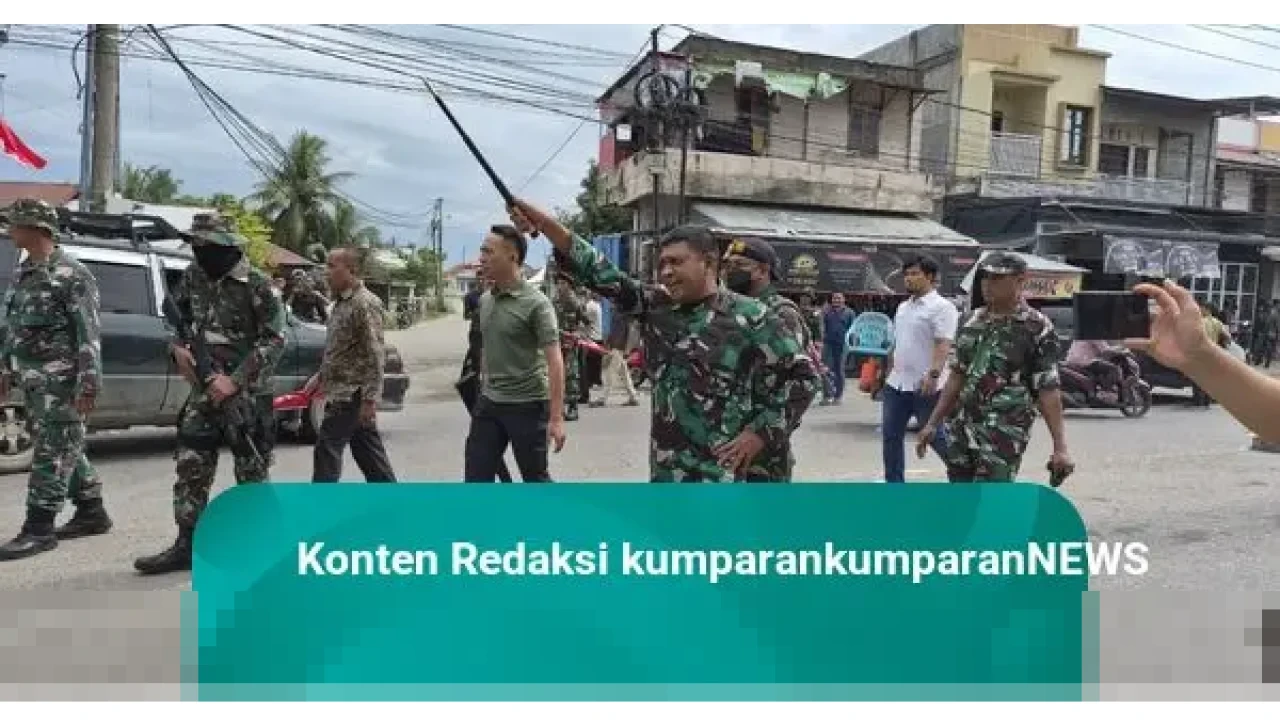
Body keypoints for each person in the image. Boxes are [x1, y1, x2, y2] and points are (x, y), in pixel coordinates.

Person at [509, 199, 819, 483]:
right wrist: (545, 224)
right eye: (663, 264)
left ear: (709, 264)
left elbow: (804, 380)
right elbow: (598, 269)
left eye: (677, 262)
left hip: (722, 480)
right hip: (667, 475)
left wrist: (760, 434)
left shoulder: (753, 317)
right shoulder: (657, 307)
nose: (666, 272)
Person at [134, 213, 286, 575]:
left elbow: (274, 340)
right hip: (203, 390)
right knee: (191, 466)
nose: (199, 252)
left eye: (206, 246)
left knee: (251, 474)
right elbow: (177, 317)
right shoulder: (194, 276)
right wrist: (177, 349)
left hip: (246, 395)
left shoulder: (260, 286)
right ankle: (188, 544)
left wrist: (233, 381)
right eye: (196, 245)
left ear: (228, 245)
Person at [0, 199, 110, 562]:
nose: (9, 229)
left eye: (15, 224)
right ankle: (92, 510)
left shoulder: (72, 274)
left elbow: (88, 334)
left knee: (51, 452)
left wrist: (88, 384)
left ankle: (39, 528)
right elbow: (11, 327)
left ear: (36, 228)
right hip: (31, 382)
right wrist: (4, 369)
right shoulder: (23, 272)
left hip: (62, 382)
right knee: (64, 446)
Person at [916, 253, 1072, 483]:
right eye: (985, 278)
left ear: (1020, 281)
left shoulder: (1036, 327)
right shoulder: (969, 321)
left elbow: (1048, 389)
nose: (988, 285)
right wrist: (932, 424)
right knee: (960, 497)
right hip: (962, 427)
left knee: (993, 499)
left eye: (997, 279)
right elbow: (957, 376)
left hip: (1004, 432)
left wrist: (1060, 447)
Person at [463, 225, 566, 483]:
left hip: (527, 405)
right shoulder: (486, 300)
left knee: (535, 479)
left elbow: (555, 362)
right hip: (489, 404)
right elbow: (487, 347)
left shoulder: (537, 304)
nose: (482, 258)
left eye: (488, 251)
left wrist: (556, 418)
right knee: (476, 477)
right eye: (481, 251)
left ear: (512, 256)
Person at [1126, 280, 1280, 444]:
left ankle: (1200, 400)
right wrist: (1199, 356)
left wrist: (1200, 356)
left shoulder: (1209, 322)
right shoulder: (1208, 322)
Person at [720, 236, 817, 482]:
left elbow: (802, 385)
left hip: (763, 453)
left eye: (739, 265)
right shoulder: (731, 311)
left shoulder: (781, 314)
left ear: (763, 270)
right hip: (727, 443)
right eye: (727, 265)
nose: (730, 272)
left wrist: (760, 433)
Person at [305, 246, 397, 483]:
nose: (327, 272)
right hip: (342, 390)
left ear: (351, 270)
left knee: (327, 449)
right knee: (368, 453)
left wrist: (369, 400)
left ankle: (323, 507)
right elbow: (341, 350)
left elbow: (374, 354)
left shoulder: (363, 303)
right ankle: (393, 503)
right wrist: (321, 376)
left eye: (332, 266)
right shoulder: (341, 304)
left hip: (352, 394)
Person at [879, 255, 957, 484]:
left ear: (930, 277)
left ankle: (963, 475)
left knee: (934, 435)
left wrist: (933, 375)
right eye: (907, 274)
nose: (909, 279)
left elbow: (943, 343)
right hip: (897, 384)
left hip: (925, 385)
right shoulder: (903, 307)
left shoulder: (942, 308)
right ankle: (894, 486)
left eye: (915, 274)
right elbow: (898, 342)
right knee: (891, 437)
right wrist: (887, 372)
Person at [552, 276, 588, 421]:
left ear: (570, 286)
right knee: (555, 374)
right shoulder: (553, 302)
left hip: (571, 344)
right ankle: (557, 408)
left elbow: (586, 323)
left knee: (571, 374)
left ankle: (573, 407)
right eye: (559, 283)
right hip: (555, 343)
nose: (560, 286)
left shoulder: (577, 303)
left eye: (564, 283)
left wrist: (577, 333)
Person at [591, 305, 640, 408]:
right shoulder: (619, 313)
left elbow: (623, 332)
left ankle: (602, 398)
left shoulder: (621, 314)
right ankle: (633, 396)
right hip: (618, 346)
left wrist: (615, 347)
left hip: (618, 347)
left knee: (610, 372)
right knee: (624, 373)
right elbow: (614, 331)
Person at [821, 293, 855, 404]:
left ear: (844, 300)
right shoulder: (826, 311)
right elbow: (822, 327)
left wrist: (852, 344)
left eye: (839, 298)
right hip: (828, 344)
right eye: (834, 298)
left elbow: (853, 329)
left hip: (842, 345)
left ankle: (838, 396)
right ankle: (827, 395)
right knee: (825, 369)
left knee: (839, 370)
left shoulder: (850, 312)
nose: (836, 300)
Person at [1064, 338, 1121, 403]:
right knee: (1113, 369)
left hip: (1070, 360)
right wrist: (1120, 350)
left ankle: (1095, 391)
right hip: (1084, 361)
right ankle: (1106, 392)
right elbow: (1105, 350)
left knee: (1101, 366)